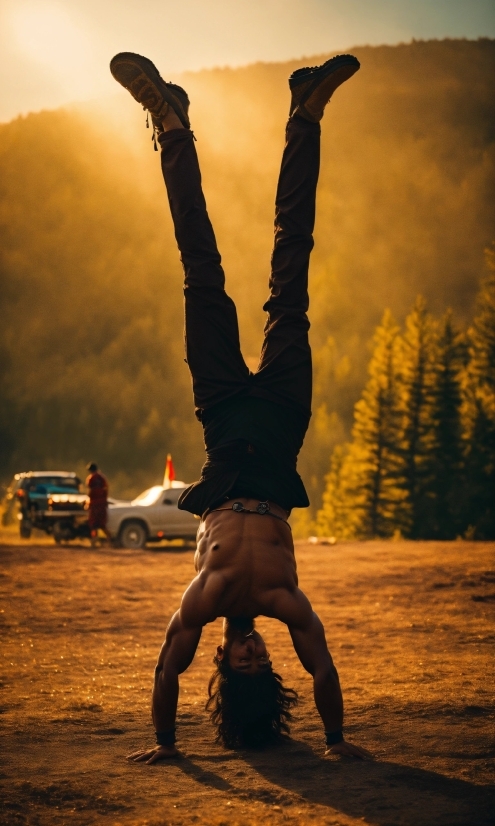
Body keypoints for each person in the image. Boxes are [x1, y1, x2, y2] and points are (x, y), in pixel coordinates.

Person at [110, 51, 371, 762]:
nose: (254, 651)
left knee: (201, 270)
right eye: (263, 661)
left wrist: (166, 744)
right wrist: (337, 739)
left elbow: (167, 664)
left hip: (224, 422)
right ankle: (304, 116)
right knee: (293, 269)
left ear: (221, 663)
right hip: (282, 424)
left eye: (241, 662)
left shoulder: (206, 595)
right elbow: (320, 664)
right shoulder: (286, 602)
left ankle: (172, 127)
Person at [85, 462, 112, 546]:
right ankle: (109, 539)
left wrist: (87, 503)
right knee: (102, 524)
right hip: (102, 504)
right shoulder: (102, 478)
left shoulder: (91, 478)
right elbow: (106, 489)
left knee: (93, 524)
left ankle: (94, 540)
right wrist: (104, 499)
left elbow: (90, 491)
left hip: (94, 504)